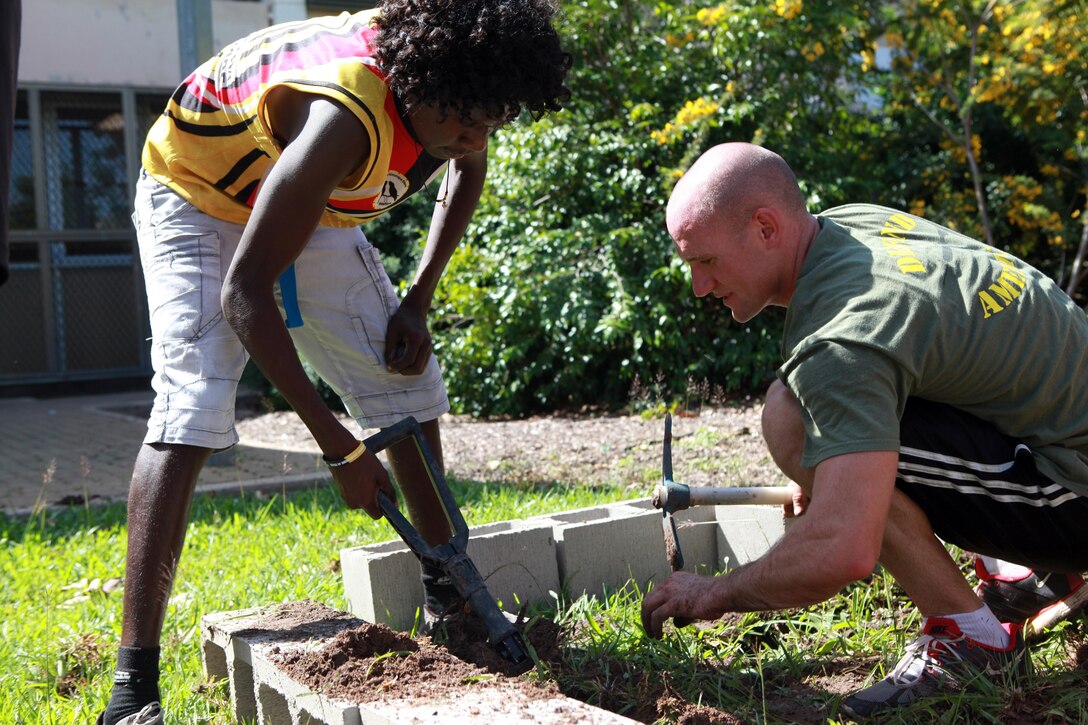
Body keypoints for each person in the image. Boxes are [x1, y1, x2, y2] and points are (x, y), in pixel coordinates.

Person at [98, 2, 570, 723]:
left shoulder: (454, 84)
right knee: (190, 409)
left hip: (303, 196)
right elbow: (246, 296)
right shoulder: (347, 116)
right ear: (419, 87)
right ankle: (133, 689)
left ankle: (451, 599)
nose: (475, 140)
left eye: (490, 124)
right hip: (198, 190)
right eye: (464, 124)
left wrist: (418, 298)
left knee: (405, 383)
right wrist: (340, 448)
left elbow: (464, 170)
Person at [641, 142, 1088, 718]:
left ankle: (971, 640)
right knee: (809, 418)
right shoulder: (856, 226)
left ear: (766, 227)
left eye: (705, 262)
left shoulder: (840, 341)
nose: (701, 287)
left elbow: (843, 551)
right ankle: (1041, 571)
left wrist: (713, 593)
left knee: (790, 418)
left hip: (1075, 491)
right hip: (1063, 440)